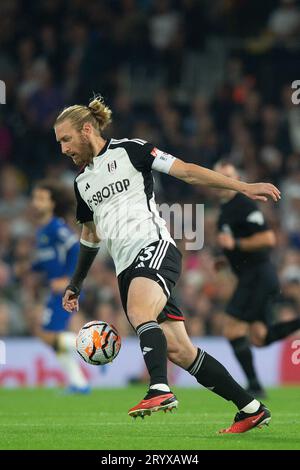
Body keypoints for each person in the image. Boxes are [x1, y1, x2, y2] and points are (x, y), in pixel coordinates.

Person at [54, 95, 280, 433]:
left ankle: (159, 388)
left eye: (66, 139)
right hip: (126, 265)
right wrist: (76, 282)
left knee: (139, 312)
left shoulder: (131, 151)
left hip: (153, 245)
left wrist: (242, 187)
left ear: (87, 130)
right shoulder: (82, 183)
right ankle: (250, 407)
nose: (63, 149)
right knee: (179, 349)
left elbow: (187, 172)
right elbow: (90, 235)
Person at [214, 160, 300, 397]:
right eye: (220, 176)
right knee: (260, 337)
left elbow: (268, 239)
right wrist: (228, 257)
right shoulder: (226, 207)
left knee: (232, 329)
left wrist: (236, 244)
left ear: (237, 180)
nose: (224, 182)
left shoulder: (242, 205)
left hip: (258, 276)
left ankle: (254, 386)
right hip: (256, 276)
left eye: (229, 176)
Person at [31, 180, 90, 393]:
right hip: (55, 289)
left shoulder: (56, 227)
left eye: (41, 199)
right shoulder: (43, 230)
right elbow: (49, 259)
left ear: (52, 203)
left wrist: (68, 279)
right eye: (35, 198)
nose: (36, 203)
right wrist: (30, 267)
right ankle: (78, 383)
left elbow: (76, 248)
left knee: (46, 334)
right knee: (51, 337)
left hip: (64, 290)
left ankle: (97, 347)